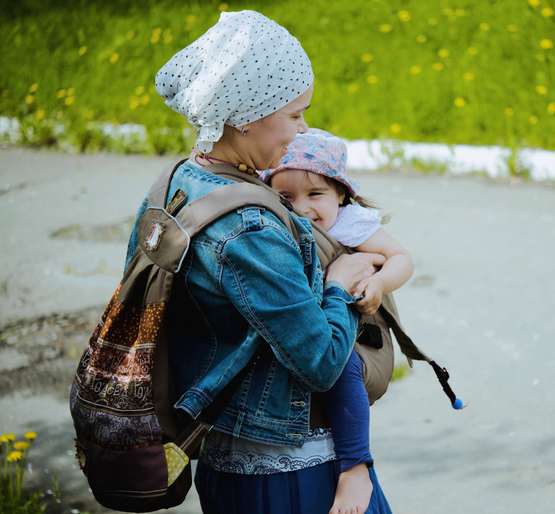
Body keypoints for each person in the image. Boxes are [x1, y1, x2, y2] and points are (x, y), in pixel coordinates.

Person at [127, 10, 392, 514]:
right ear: (247, 115)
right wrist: (338, 286)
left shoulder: (178, 182)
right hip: (294, 471)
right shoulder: (249, 226)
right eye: (295, 115)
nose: (303, 128)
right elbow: (321, 362)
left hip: (227, 458)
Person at [262, 129, 414, 514]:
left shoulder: (350, 224)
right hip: (303, 326)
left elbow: (401, 258)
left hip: (345, 332)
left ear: (341, 195)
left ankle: (355, 464)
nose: (301, 208)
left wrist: (378, 282)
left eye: (315, 194)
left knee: (342, 369)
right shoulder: (269, 223)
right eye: (286, 197)